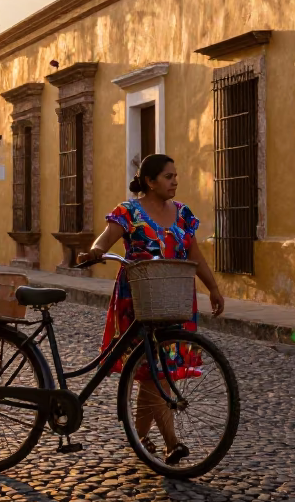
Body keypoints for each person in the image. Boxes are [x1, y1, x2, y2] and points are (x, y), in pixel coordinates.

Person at [77, 153, 225, 465]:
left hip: (174, 299)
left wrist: (213, 287)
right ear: (149, 181)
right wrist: (93, 253)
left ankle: (140, 437)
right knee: (152, 372)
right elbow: (104, 241)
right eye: (169, 176)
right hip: (139, 301)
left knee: (154, 373)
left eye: (175, 175)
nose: (175, 181)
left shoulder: (183, 214)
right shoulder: (128, 212)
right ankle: (172, 443)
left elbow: (194, 253)